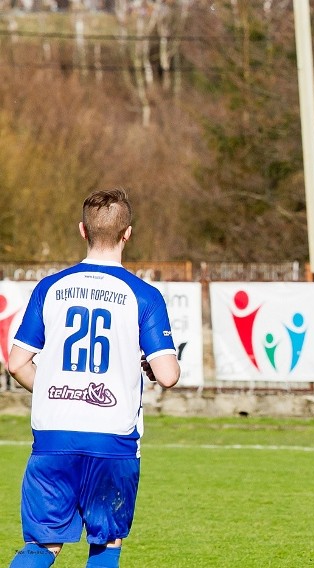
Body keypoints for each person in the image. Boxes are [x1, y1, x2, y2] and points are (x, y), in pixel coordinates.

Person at [6, 188, 181, 568]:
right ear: (127, 234)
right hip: (112, 438)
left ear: (82, 231)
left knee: (42, 544)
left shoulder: (50, 288)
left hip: (54, 436)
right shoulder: (143, 295)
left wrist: (57, 391)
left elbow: (17, 363)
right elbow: (167, 375)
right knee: (106, 543)